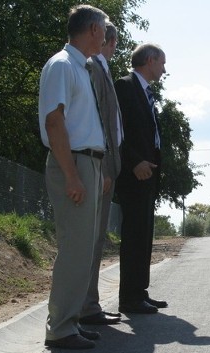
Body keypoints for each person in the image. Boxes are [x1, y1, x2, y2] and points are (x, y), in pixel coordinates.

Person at [38, 5, 109, 349]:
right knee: (75, 248)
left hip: (87, 163)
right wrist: (71, 175)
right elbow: (55, 122)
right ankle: (61, 327)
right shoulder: (62, 65)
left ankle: (70, 321)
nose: (107, 36)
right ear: (93, 29)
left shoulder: (83, 67)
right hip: (74, 163)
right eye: (105, 30)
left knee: (84, 249)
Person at [114, 43, 168, 314]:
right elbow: (117, 131)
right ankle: (129, 297)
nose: (164, 69)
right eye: (162, 63)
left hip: (148, 173)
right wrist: (134, 162)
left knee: (144, 235)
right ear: (150, 60)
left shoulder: (147, 92)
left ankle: (140, 292)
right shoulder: (124, 87)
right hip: (134, 173)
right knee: (134, 235)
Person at [79, 22, 123, 326]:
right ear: (111, 40)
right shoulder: (94, 67)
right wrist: (105, 167)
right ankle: (86, 307)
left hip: (106, 164)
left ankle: (89, 304)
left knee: (96, 241)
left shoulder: (101, 67)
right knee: (91, 240)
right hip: (100, 165)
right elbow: (98, 119)